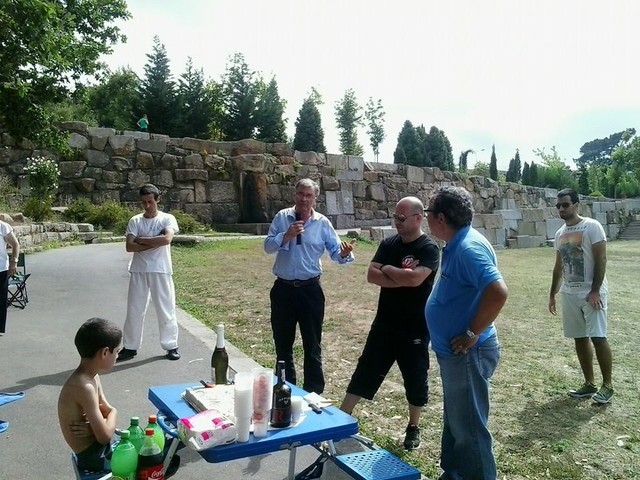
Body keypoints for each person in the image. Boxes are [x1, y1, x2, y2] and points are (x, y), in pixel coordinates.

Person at [340, 196, 439, 450]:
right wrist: (402, 276)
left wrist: (388, 269)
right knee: (366, 369)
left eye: (402, 218)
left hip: (415, 326)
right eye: (395, 216)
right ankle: (342, 417)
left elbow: (415, 280)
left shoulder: (428, 248)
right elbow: (371, 275)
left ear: (418, 218)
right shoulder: (389, 243)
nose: (397, 222)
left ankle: (413, 426)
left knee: (415, 378)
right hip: (385, 322)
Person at [425, 186, 508, 480]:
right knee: (458, 420)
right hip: (456, 354)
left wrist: (472, 332)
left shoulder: (468, 248)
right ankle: (455, 474)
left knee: (470, 427)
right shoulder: (457, 242)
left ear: (441, 218)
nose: (426, 217)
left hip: (468, 353)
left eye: (428, 212)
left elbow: (498, 291)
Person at [264, 178, 355, 394]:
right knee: (282, 345)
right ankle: (285, 389)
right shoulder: (282, 217)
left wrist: (344, 253)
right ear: (294, 195)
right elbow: (267, 246)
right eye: (300, 194)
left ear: (315, 198)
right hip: (283, 290)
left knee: (312, 344)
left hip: (310, 290)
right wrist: (286, 235)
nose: (304, 199)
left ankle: (313, 392)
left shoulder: (322, 223)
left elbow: (336, 251)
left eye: (309, 195)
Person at [548, 188, 613, 404]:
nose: (561, 209)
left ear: (577, 205)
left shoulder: (592, 226)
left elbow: (601, 259)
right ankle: (589, 383)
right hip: (570, 293)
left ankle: (607, 386)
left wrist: (595, 290)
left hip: (591, 293)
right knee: (579, 338)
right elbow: (559, 266)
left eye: (565, 204)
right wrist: (552, 294)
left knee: (598, 337)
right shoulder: (559, 233)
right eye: (558, 206)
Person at [118, 184, 181, 362]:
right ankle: (130, 347)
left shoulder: (167, 218)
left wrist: (142, 240)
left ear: (157, 200)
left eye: (150, 202)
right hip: (139, 269)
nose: (147, 206)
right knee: (135, 309)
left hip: (160, 269)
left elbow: (166, 239)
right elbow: (130, 246)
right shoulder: (135, 221)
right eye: (143, 202)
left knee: (166, 308)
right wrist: (154, 242)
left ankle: (171, 345)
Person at [58, 318, 122, 472]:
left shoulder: (93, 377)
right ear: (105, 352)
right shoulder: (84, 387)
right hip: (94, 456)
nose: (117, 356)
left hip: (98, 448)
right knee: (148, 457)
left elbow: (105, 412)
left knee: (141, 439)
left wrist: (95, 427)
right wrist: (114, 412)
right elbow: (104, 436)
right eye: (117, 351)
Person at [0, 220, 20, 334]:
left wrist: (14, 262)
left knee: (0, 300)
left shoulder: (3, 226)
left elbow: (15, 244)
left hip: (1, 269)